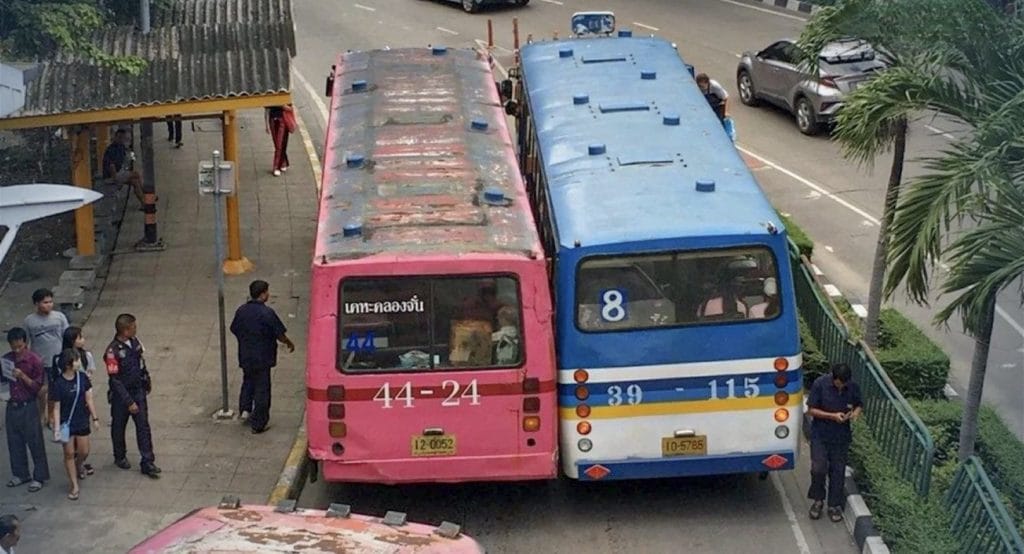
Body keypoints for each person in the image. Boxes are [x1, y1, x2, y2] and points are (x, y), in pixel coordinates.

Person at [230, 280, 295, 433]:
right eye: (267, 292)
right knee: (262, 389)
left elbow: (234, 328)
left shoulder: (241, 311)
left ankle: (245, 409)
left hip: (245, 355)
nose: (268, 294)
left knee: (248, 381)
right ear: (263, 294)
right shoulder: (267, 313)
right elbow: (280, 334)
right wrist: (289, 343)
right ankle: (258, 423)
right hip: (263, 357)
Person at [104, 313, 161, 478]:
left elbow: (141, 363)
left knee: (143, 426)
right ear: (125, 330)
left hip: (138, 390)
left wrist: (147, 380)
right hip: (121, 396)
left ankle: (147, 461)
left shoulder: (135, 342)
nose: (136, 329)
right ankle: (120, 456)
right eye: (133, 327)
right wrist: (128, 402)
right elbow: (115, 380)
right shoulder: (112, 351)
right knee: (119, 426)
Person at [807, 362, 863, 522]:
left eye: (844, 384)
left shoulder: (852, 387)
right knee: (818, 468)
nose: (842, 387)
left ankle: (834, 505)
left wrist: (854, 414)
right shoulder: (820, 384)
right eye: (839, 383)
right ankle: (818, 500)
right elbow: (811, 410)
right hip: (821, 435)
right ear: (834, 378)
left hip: (841, 437)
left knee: (837, 472)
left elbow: (859, 404)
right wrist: (832, 416)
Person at [2, 328, 49, 492]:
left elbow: (38, 387)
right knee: (14, 441)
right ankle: (21, 473)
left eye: (20, 347)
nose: (17, 350)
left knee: (35, 441)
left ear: (25, 343)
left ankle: (39, 476)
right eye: (14, 347)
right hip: (13, 403)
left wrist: (23, 376)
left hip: (29, 405)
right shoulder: (7, 359)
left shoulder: (34, 360)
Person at [50, 349, 98, 501]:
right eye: (76, 360)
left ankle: (79, 465)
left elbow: (89, 399)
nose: (79, 362)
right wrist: (57, 428)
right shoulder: (58, 383)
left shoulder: (82, 378)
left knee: (83, 450)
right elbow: (56, 408)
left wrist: (95, 418)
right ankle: (74, 484)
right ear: (68, 364)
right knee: (69, 454)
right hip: (66, 423)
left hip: (82, 419)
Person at [52, 327, 96, 476]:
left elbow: (89, 375)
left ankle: (79, 462)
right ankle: (75, 465)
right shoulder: (59, 359)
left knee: (83, 444)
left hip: (81, 400)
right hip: (66, 404)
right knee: (71, 445)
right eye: (79, 338)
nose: (83, 340)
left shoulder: (85, 356)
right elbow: (55, 384)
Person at [23, 288, 68, 427]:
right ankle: (41, 414)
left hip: (56, 360)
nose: (48, 305)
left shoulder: (59, 317)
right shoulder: (29, 321)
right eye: (45, 302)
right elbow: (26, 342)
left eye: (50, 302)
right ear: (36, 304)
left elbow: (67, 336)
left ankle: (51, 415)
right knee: (40, 390)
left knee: (54, 390)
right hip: (38, 361)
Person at [102, 129, 146, 206]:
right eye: (119, 137)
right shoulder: (112, 149)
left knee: (135, 182)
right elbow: (111, 165)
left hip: (119, 172)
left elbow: (130, 155)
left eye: (122, 137)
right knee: (136, 174)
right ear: (115, 137)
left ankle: (144, 203)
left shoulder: (121, 147)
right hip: (112, 175)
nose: (121, 139)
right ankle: (147, 193)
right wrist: (115, 178)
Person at [265, 105, 294, 176]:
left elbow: (290, 108)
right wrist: (266, 125)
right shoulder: (270, 95)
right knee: (277, 144)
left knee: (280, 144)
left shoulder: (285, 95)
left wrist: (283, 106)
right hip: (272, 120)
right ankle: (283, 161)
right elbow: (266, 110)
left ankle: (276, 166)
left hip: (283, 120)